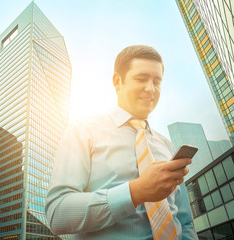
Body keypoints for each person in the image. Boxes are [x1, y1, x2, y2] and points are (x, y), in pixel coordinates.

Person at [45, 45, 198, 239]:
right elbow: (57, 214)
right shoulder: (82, 131)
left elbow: (185, 221)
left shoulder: (167, 145)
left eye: (157, 81)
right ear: (118, 81)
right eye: (141, 79)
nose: (151, 88)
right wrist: (136, 192)